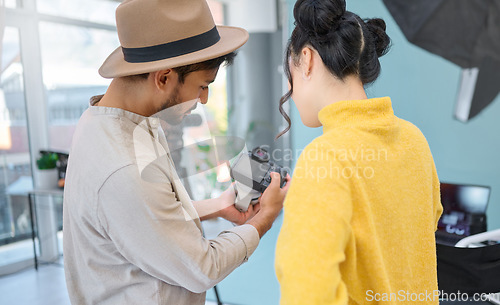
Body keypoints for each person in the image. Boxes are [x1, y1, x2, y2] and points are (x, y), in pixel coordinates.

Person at [63, 0, 289, 304]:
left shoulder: (105, 120)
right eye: (202, 86)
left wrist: (217, 206)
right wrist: (264, 219)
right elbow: (202, 267)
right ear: (164, 78)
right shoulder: (123, 166)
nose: (205, 99)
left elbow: (142, 220)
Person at [274, 0, 443, 304]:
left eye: (290, 74)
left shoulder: (325, 158)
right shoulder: (414, 140)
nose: (290, 91)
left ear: (308, 60)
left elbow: (308, 294)